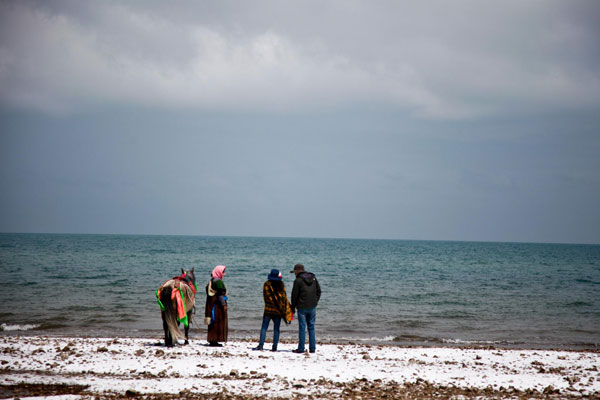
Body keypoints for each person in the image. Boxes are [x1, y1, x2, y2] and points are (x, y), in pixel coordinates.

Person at [252, 269, 293, 352]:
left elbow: (265, 297)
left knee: (264, 327)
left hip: (268, 309)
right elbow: (283, 298)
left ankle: (261, 345)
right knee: (276, 329)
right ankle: (274, 347)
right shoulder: (281, 285)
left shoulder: (267, 284)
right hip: (278, 311)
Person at [290, 263, 321, 353]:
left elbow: (294, 295)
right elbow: (319, 291)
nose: (294, 274)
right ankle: (312, 348)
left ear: (296, 272)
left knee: (302, 328)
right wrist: (315, 302)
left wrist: (293, 307)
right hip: (312, 307)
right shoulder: (313, 278)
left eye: (295, 272)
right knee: (311, 327)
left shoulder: (298, 281)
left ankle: (301, 348)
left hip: (302, 307)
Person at [204, 265, 228, 347]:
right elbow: (220, 295)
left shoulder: (212, 280)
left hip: (211, 305)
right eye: (223, 272)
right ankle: (215, 340)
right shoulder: (218, 282)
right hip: (217, 306)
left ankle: (212, 340)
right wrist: (223, 304)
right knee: (217, 321)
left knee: (212, 322)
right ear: (218, 272)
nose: (224, 274)